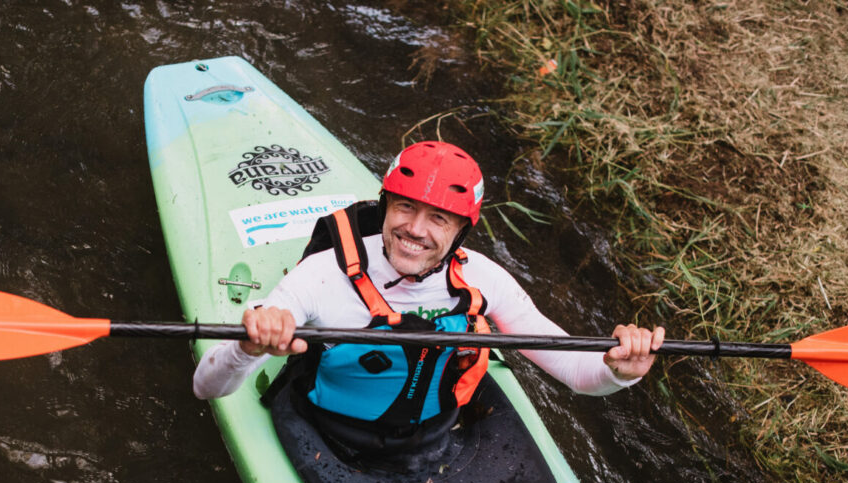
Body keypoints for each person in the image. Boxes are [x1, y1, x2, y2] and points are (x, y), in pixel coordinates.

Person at [193, 141, 663, 453]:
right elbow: (206, 388)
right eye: (404, 207)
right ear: (384, 206)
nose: (415, 231)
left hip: (434, 438)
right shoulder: (321, 276)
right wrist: (248, 346)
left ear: (462, 230)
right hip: (326, 432)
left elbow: (579, 373)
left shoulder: (484, 278)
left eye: (439, 218)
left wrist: (619, 372)